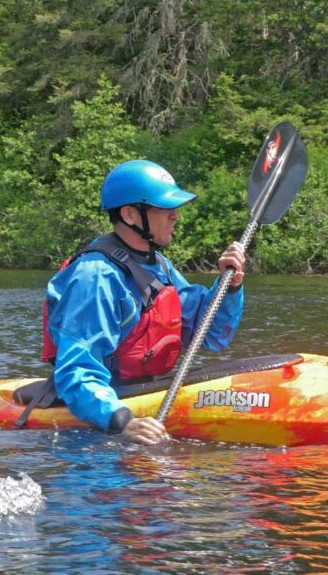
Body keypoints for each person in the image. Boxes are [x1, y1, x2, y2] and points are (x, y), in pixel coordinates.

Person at [43, 159, 245, 445]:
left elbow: (209, 334)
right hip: (99, 422)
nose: (175, 215)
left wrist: (230, 287)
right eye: (164, 208)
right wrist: (123, 422)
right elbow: (77, 370)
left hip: (143, 396)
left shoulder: (159, 266)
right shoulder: (95, 276)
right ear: (130, 215)